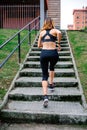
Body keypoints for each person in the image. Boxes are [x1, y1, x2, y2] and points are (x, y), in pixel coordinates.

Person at [38, 17, 62, 108]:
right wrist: (58, 44)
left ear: (44, 23)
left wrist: (44, 45)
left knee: (44, 75)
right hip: (53, 53)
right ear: (52, 23)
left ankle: (45, 96)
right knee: (52, 67)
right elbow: (59, 33)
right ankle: (51, 84)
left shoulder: (41, 33)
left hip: (44, 53)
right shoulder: (54, 30)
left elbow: (38, 45)